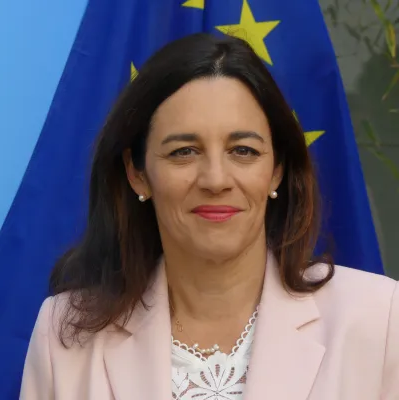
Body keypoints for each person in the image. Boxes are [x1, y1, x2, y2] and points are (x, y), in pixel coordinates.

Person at [20, 33, 398, 400]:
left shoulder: (380, 319)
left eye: (243, 151)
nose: (216, 180)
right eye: (184, 152)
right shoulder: (65, 335)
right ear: (137, 173)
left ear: (277, 170)